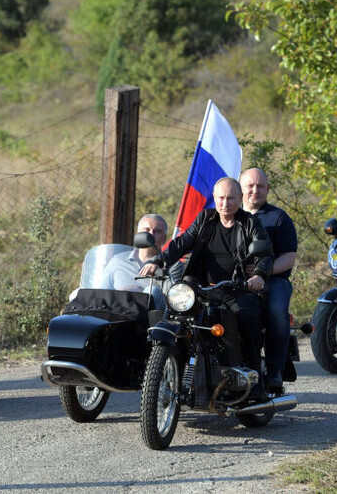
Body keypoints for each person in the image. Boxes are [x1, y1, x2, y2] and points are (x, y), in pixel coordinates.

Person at [139, 177, 272, 380]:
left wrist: (259, 275)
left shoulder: (250, 223)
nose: (225, 203)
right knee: (176, 315)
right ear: (214, 198)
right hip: (200, 289)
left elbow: (265, 254)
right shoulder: (204, 218)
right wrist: (158, 261)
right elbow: (181, 244)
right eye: (221, 198)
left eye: (230, 198)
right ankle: (172, 368)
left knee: (246, 317)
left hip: (237, 289)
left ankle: (254, 378)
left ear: (240, 198)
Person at [240, 167, 298, 392]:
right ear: (241, 188)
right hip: (236, 280)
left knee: (276, 311)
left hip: (274, 281)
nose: (255, 190)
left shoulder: (279, 218)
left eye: (260, 186)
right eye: (250, 186)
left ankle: (275, 370)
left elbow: (289, 257)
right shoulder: (229, 216)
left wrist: (262, 272)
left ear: (268, 189)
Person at [100, 214, 168, 309]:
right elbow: (99, 292)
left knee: (152, 291)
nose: (151, 234)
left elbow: (176, 300)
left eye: (157, 231)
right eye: (146, 230)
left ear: (164, 238)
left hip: (153, 316)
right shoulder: (118, 261)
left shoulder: (172, 265)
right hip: (119, 313)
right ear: (138, 234)